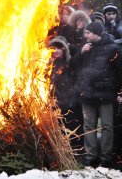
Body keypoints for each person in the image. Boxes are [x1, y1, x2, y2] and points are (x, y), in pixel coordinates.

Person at [70, 22, 122, 167]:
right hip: (87, 94)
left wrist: (118, 91)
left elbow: (120, 72)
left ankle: (106, 158)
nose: (85, 35)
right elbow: (73, 65)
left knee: (107, 127)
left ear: (96, 33)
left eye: (88, 33)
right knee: (88, 126)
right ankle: (90, 156)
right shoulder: (86, 47)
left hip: (106, 95)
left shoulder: (113, 48)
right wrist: (81, 53)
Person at [48, 36, 83, 151]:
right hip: (54, 102)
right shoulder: (46, 65)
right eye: (53, 48)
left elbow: (79, 81)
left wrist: (71, 94)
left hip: (70, 103)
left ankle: (76, 152)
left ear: (65, 49)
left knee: (73, 128)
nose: (56, 50)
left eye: (59, 48)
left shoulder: (70, 64)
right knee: (58, 129)